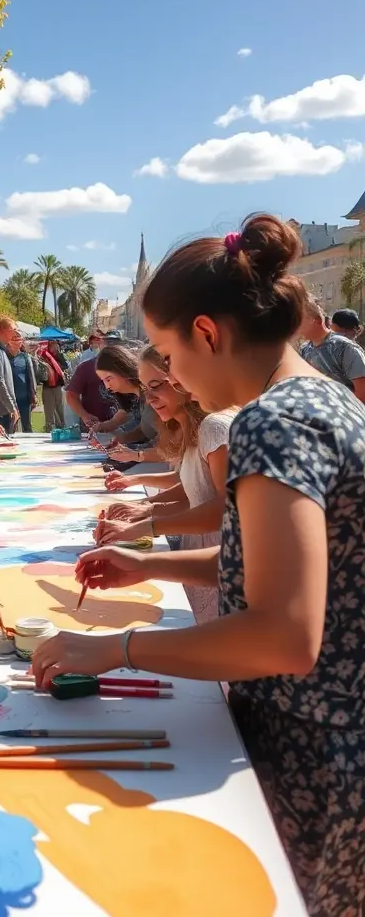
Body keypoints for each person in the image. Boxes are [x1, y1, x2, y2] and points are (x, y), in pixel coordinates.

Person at [34, 214, 365, 916]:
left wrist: (115, 648)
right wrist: (151, 567)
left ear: (208, 334)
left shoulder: (274, 422)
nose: (172, 379)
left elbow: (284, 632)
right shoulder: (315, 399)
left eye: (168, 354)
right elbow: (273, 566)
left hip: (316, 751)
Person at [99, 346, 236, 622]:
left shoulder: (215, 427)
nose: (149, 399)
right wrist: (145, 508)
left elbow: (222, 507)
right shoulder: (192, 428)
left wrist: (144, 522)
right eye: (145, 389)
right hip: (202, 553)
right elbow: (195, 487)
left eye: (157, 386)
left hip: (218, 560)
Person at [297, 294, 365, 402]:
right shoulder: (305, 349)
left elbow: (362, 393)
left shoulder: (344, 347)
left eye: (299, 320)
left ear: (316, 320)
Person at [65, 350, 123, 430]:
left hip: (126, 427)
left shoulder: (125, 366)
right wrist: (85, 415)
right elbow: (71, 395)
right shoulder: (87, 367)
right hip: (95, 425)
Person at [7, 330, 38, 433]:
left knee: (27, 425)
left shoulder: (25, 357)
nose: (16, 341)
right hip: (9, 399)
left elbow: (31, 377)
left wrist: (33, 394)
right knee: (11, 425)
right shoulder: (4, 356)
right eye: (13, 339)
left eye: (18, 339)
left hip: (24, 398)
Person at [37, 340, 67, 431]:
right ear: (49, 346)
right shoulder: (43, 356)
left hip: (57, 386)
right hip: (47, 387)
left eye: (56, 346)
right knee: (49, 409)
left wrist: (57, 356)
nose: (55, 347)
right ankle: (49, 428)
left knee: (59, 407)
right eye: (53, 345)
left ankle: (62, 426)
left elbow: (65, 366)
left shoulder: (59, 355)